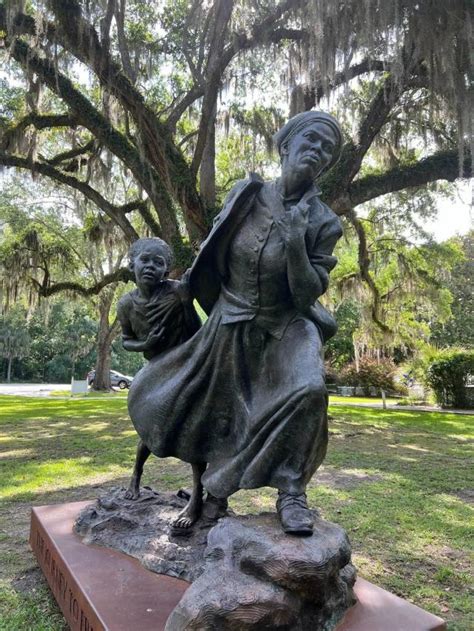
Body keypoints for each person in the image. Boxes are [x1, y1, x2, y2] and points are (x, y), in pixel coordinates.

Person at [128, 111, 343, 535]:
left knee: (310, 391)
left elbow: (305, 294)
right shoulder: (247, 194)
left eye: (327, 150)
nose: (317, 152)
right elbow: (215, 246)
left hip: (287, 323)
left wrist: (297, 240)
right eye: (311, 141)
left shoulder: (324, 222)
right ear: (286, 145)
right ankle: (212, 499)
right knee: (216, 410)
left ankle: (291, 492)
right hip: (231, 316)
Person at [117, 237, 203, 530]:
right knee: (148, 428)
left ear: (167, 269)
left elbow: (197, 333)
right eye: (145, 260)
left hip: (185, 365)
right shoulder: (126, 303)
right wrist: (146, 342)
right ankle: (136, 477)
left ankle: (198, 497)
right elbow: (127, 340)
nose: (151, 267)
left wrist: (186, 303)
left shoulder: (177, 291)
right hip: (154, 369)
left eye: (159, 263)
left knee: (194, 428)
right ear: (133, 265)